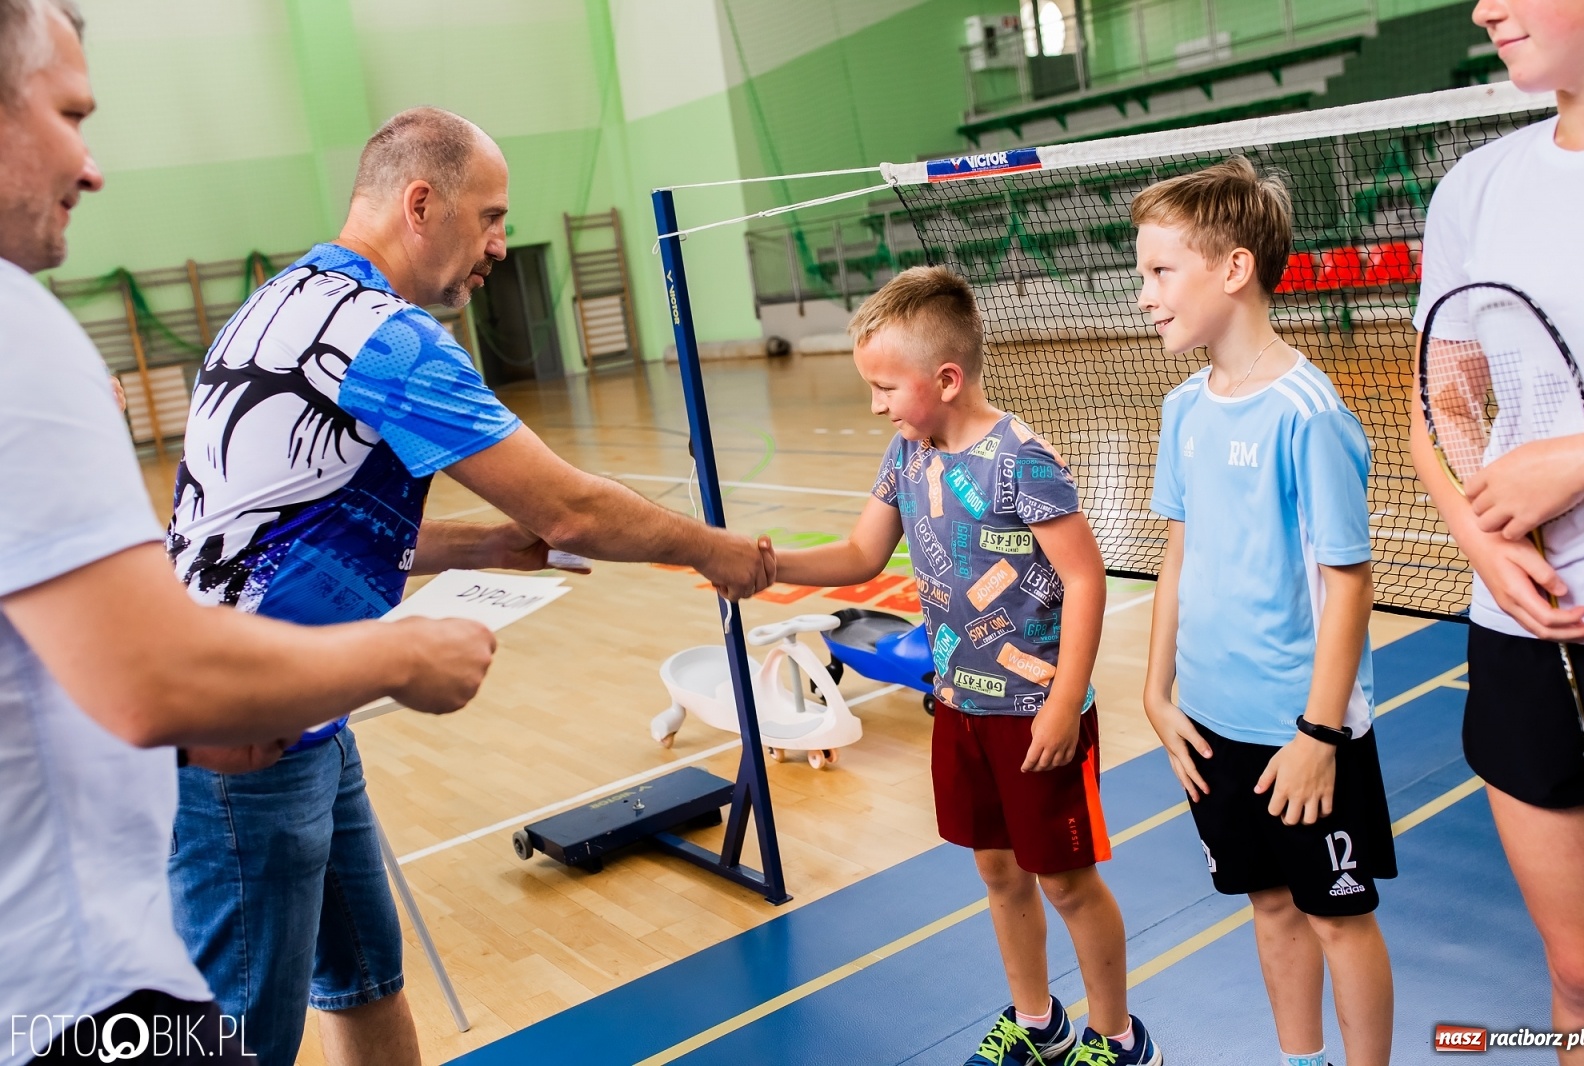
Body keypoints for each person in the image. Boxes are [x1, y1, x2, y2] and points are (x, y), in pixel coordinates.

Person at [163, 105, 777, 1066]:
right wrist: (712, 551)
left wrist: (479, 544)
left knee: (365, 981)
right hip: (242, 740)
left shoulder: (284, 298)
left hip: (305, 712)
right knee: (239, 1041)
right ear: (421, 204)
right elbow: (569, 508)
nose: (499, 244)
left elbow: (286, 527)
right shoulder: (384, 337)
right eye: (490, 217)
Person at [0, 3, 497, 1063]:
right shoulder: (19, 337)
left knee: (362, 979)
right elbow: (150, 678)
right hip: (70, 991)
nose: (91, 165)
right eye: (69, 115)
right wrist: (402, 656)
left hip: (73, 956)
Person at [767, 266, 1159, 1066]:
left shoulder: (1022, 460)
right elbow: (861, 553)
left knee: (1067, 882)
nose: (876, 405)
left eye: (886, 387)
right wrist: (767, 563)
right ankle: (1039, 1023)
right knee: (999, 873)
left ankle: (1119, 1038)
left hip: (1037, 716)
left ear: (945, 380)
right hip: (959, 707)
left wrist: (1064, 703)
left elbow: (1086, 579)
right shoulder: (905, 454)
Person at [1137, 158, 1394, 1066]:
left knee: (1337, 919)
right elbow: (1177, 554)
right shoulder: (1182, 409)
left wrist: (1320, 735)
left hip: (1301, 732)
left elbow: (1350, 583)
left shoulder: (1307, 413)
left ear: (1234, 269)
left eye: (1161, 271)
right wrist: (1157, 693)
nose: (1144, 295)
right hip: (1211, 725)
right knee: (1271, 904)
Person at [1408, 2, 1584, 1060]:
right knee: (1579, 974)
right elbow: (1439, 397)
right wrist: (1479, 535)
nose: (1484, 7)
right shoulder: (1474, 188)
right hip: (1521, 633)